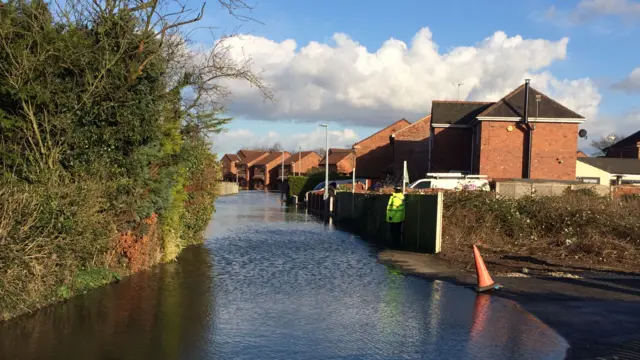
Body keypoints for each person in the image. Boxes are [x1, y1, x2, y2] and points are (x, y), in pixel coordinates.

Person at [386, 184, 405, 249]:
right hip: (400, 217)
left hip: (393, 218)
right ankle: (397, 244)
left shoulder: (394, 197)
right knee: (398, 231)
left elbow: (392, 208)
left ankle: (394, 244)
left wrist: (390, 217)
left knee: (393, 231)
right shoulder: (402, 197)